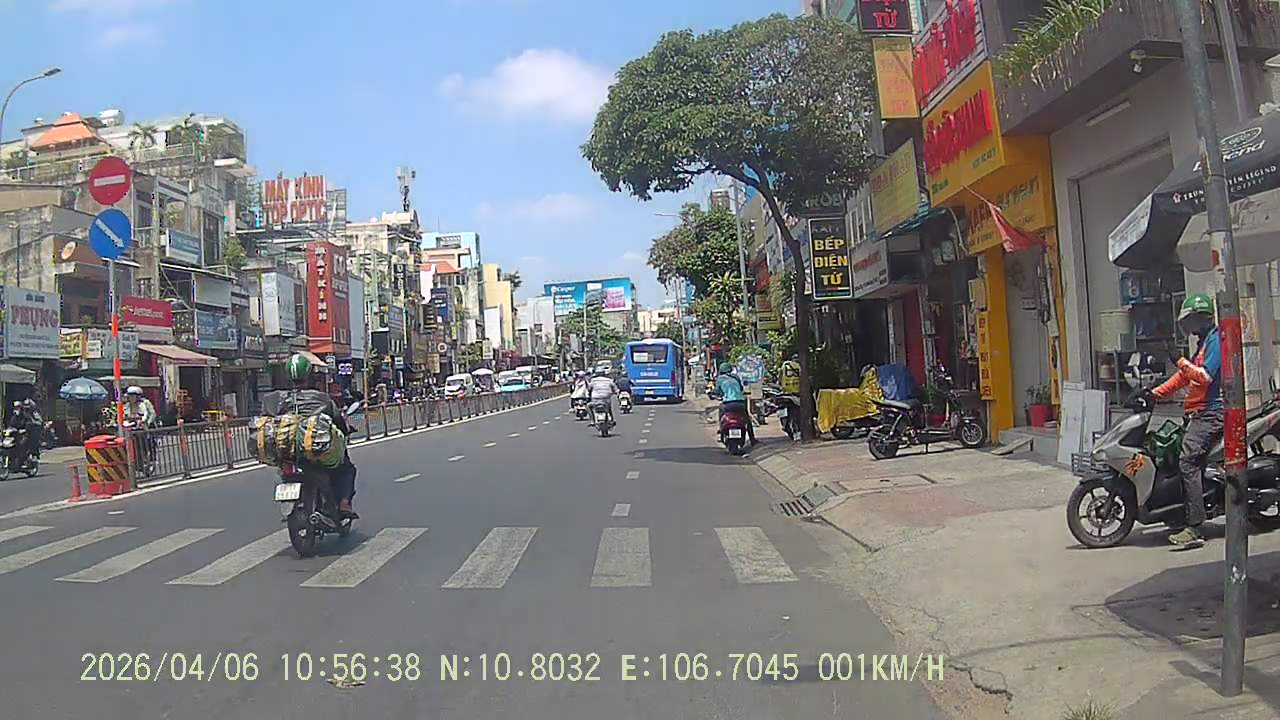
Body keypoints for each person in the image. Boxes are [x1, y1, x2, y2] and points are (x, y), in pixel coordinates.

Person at [1151, 293, 1222, 549]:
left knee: (1188, 462)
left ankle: (1195, 527)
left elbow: (1205, 376)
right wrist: (1153, 393)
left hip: (1211, 413)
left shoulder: (1216, 340)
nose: (1189, 328)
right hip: (1198, 413)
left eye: (1191, 321)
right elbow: (1184, 376)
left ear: (1202, 318)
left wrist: (1179, 360)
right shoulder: (1203, 343)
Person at [279, 353, 358, 520]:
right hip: (316, 451)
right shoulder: (321, 398)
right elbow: (338, 420)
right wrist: (346, 429)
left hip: (291, 453)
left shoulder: (284, 401)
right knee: (347, 468)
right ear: (309, 375)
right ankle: (344, 504)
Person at [716, 361, 758, 446]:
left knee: (721, 414)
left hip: (727, 404)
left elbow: (718, 391)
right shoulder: (736, 377)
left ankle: (721, 431)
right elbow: (741, 388)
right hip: (740, 403)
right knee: (747, 420)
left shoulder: (720, 379)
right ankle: (752, 439)